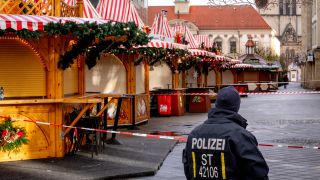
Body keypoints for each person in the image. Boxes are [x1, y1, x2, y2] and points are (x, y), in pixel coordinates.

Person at [183, 86, 269, 180]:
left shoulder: (194, 134)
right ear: (237, 106)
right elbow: (258, 173)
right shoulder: (240, 136)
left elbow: (188, 168)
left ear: (217, 104)